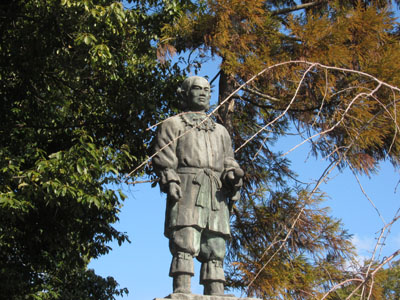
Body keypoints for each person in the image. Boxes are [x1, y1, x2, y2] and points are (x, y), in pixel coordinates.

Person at [153, 76, 243, 296]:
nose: (203, 93)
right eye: (197, 89)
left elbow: (228, 160)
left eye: (207, 89)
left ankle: (216, 290)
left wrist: (233, 174)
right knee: (185, 239)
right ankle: (182, 289)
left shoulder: (221, 131)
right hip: (187, 186)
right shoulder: (172, 125)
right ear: (185, 93)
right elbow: (163, 157)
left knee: (215, 243)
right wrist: (170, 179)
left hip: (216, 191)